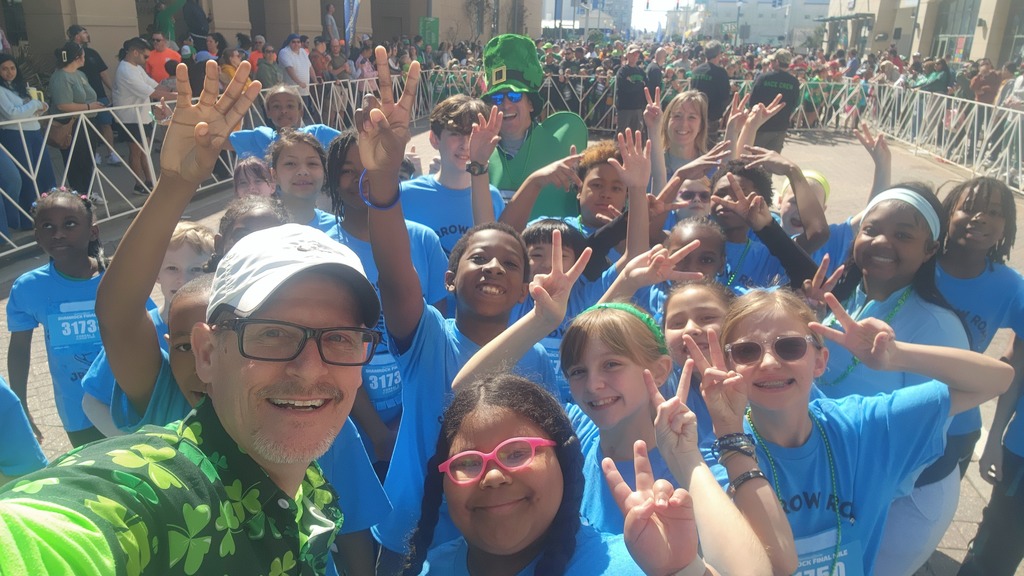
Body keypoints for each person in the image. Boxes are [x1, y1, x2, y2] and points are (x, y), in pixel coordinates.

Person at [353, 47, 558, 572]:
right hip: (412, 535)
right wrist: (382, 180)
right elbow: (397, 276)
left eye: (509, 264)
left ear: (523, 290)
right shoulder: (427, 335)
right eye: (478, 258)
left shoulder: (536, 357)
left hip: (498, 532)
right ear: (448, 277)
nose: (492, 267)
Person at [684, 287, 1010, 574]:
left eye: (790, 347)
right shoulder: (718, 457)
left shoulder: (864, 426)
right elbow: (774, 562)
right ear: (728, 367)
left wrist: (897, 356)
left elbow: (998, 379)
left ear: (820, 361)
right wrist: (729, 433)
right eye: (746, 351)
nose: (769, 362)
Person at [403, 375, 772, 575]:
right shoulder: (433, 567)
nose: (493, 475)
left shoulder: (634, 566)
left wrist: (683, 571)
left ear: (563, 463)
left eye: (517, 452)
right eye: (467, 462)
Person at [814, 184, 973, 575]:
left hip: (897, 501)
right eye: (871, 230)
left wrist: (851, 505)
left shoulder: (936, 326)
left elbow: (920, 438)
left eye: (903, 234)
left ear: (930, 249)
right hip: (839, 482)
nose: (882, 241)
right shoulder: (849, 297)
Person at [323, 130, 448, 466]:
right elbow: (328, 351)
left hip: (420, 421)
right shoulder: (322, 249)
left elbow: (434, 339)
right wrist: (379, 433)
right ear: (333, 180)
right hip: (353, 431)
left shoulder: (423, 240)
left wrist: (411, 420)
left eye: (369, 167)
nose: (360, 178)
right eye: (348, 170)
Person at [7, 188, 108, 447]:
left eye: (70, 224)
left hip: (130, 401)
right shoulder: (29, 288)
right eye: (47, 226)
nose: (58, 233)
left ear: (92, 231)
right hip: (78, 413)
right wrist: (20, 409)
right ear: (37, 235)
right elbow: (19, 351)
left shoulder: (116, 277)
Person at [482, 34, 587, 219]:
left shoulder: (563, 145)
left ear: (530, 104)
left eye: (514, 96)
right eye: (497, 98)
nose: (506, 105)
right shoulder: (479, 152)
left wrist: (585, 177)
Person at [398, 94, 505, 255]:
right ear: (434, 139)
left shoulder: (492, 198)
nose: (466, 144)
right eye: (456, 133)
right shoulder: (404, 195)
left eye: (473, 134)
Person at [112, 37, 176, 196]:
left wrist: (173, 90)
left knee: (145, 150)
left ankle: (150, 181)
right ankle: (139, 184)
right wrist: (178, 96)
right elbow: (151, 92)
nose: (147, 59)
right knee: (136, 151)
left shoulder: (136, 68)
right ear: (135, 52)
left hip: (142, 115)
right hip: (130, 118)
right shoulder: (125, 70)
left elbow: (154, 85)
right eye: (145, 56)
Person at [0, 53, 57, 230]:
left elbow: (35, 107)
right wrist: (34, 105)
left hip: (34, 132)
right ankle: (27, 218)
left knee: (44, 174)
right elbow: (12, 113)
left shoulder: (20, 88)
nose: (9, 72)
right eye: (4, 69)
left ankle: (52, 214)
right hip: (15, 135)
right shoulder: (1, 90)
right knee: (26, 178)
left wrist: (37, 106)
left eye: (12, 68)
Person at [47, 42, 104, 196]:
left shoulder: (80, 74)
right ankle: (79, 195)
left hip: (87, 122)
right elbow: (63, 105)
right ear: (78, 57)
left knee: (87, 160)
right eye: (83, 55)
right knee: (76, 162)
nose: (85, 58)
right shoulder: (60, 77)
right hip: (72, 124)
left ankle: (88, 192)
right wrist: (89, 107)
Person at [229, 84, 338, 158]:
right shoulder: (261, 138)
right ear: (268, 112)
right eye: (276, 106)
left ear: (301, 110)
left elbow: (352, 144)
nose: (284, 111)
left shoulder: (319, 133)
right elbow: (217, 141)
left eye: (290, 106)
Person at [68, 24, 119, 166]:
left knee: (106, 123)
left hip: (99, 94)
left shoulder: (92, 53)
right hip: (81, 98)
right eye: (84, 32)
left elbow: (103, 73)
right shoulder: (68, 53)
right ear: (77, 35)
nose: (87, 35)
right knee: (88, 126)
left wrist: (112, 90)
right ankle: (93, 153)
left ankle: (112, 153)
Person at [749, 49, 799, 153]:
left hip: (761, 124)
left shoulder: (763, 78)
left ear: (776, 62)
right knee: (772, 161)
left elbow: (752, 100)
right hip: (780, 126)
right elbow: (795, 103)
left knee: (753, 157)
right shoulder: (794, 82)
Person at [689, 41, 730, 136]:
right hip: (711, 117)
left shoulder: (696, 71)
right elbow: (725, 97)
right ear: (718, 54)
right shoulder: (720, 73)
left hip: (695, 114)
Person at [279, 33, 317, 116]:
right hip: (292, 90)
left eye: (298, 42)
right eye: (294, 42)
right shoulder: (284, 52)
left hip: (304, 90)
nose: (296, 44)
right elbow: (289, 69)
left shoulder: (303, 51)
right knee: (292, 113)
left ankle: (299, 128)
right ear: (289, 43)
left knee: (302, 112)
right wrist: (298, 82)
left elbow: (310, 67)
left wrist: (315, 80)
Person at [615, 45, 647, 136]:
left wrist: (633, 84)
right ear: (628, 55)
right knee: (621, 135)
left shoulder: (641, 72)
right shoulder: (622, 71)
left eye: (637, 54)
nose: (635, 56)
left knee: (636, 135)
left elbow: (645, 86)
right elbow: (625, 88)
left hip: (637, 108)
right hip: (625, 108)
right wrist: (639, 84)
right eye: (632, 54)